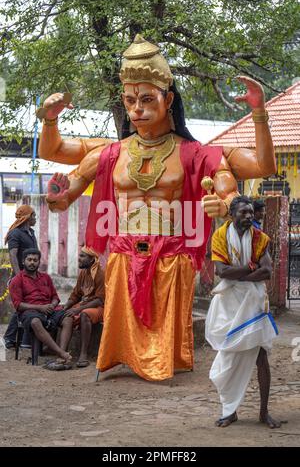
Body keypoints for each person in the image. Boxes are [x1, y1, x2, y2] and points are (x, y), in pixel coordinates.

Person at [38, 35, 276, 381]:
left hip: (172, 254)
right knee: (124, 314)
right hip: (122, 253)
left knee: (163, 316)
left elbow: (261, 168)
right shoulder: (109, 152)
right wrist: (49, 124)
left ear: (168, 100)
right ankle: (123, 358)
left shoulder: (199, 154)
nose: (137, 109)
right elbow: (56, 158)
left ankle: (162, 362)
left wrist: (258, 114)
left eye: (147, 99)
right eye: (130, 100)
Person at [205, 196, 281, 429]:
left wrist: (242, 275)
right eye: (244, 213)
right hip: (229, 302)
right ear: (232, 214)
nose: (249, 216)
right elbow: (221, 271)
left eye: (251, 212)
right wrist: (250, 269)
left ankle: (264, 412)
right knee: (228, 355)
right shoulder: (219, 236)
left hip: (253, 301)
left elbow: (267, 271)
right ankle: (230, 411)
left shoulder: (260, 238)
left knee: (261, 357)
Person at [9, 248, 73, 368]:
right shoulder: (17, 280)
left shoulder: (45, 278)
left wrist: (52, 305)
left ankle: (61, 356)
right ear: (23, 262)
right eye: (29, 260)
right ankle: (61, 353)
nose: (32, 262)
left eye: (35, 260)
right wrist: (40, 308)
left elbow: (55, 297)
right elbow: (18, 304)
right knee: (35, 321)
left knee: (68, 318)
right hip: (29, 312)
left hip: (49, 309)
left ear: (39, 262)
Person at [63, 246, 105, 368]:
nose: (79, 259)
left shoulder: (100, 274)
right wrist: (66, 306)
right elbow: (76, 294)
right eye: (79, 255)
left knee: (85, 314)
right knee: (65, 314)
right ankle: (63, 353)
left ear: (92, 259)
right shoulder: (83, 273)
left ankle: (83, 354)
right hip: (84, 305)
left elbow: (99, 300)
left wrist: (78, 309)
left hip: (100, 308)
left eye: (82, 256)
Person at [4, 205, 37, 349]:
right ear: (27, 217)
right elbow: (12, 255)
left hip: (31, 277)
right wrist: (19, 277)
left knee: (25, 306)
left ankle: (15, 338)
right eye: (33, 215)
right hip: (21, 277)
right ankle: (10, 338)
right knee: (21, 306)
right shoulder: (15, 233)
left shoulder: (31, 232)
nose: (35, 218)